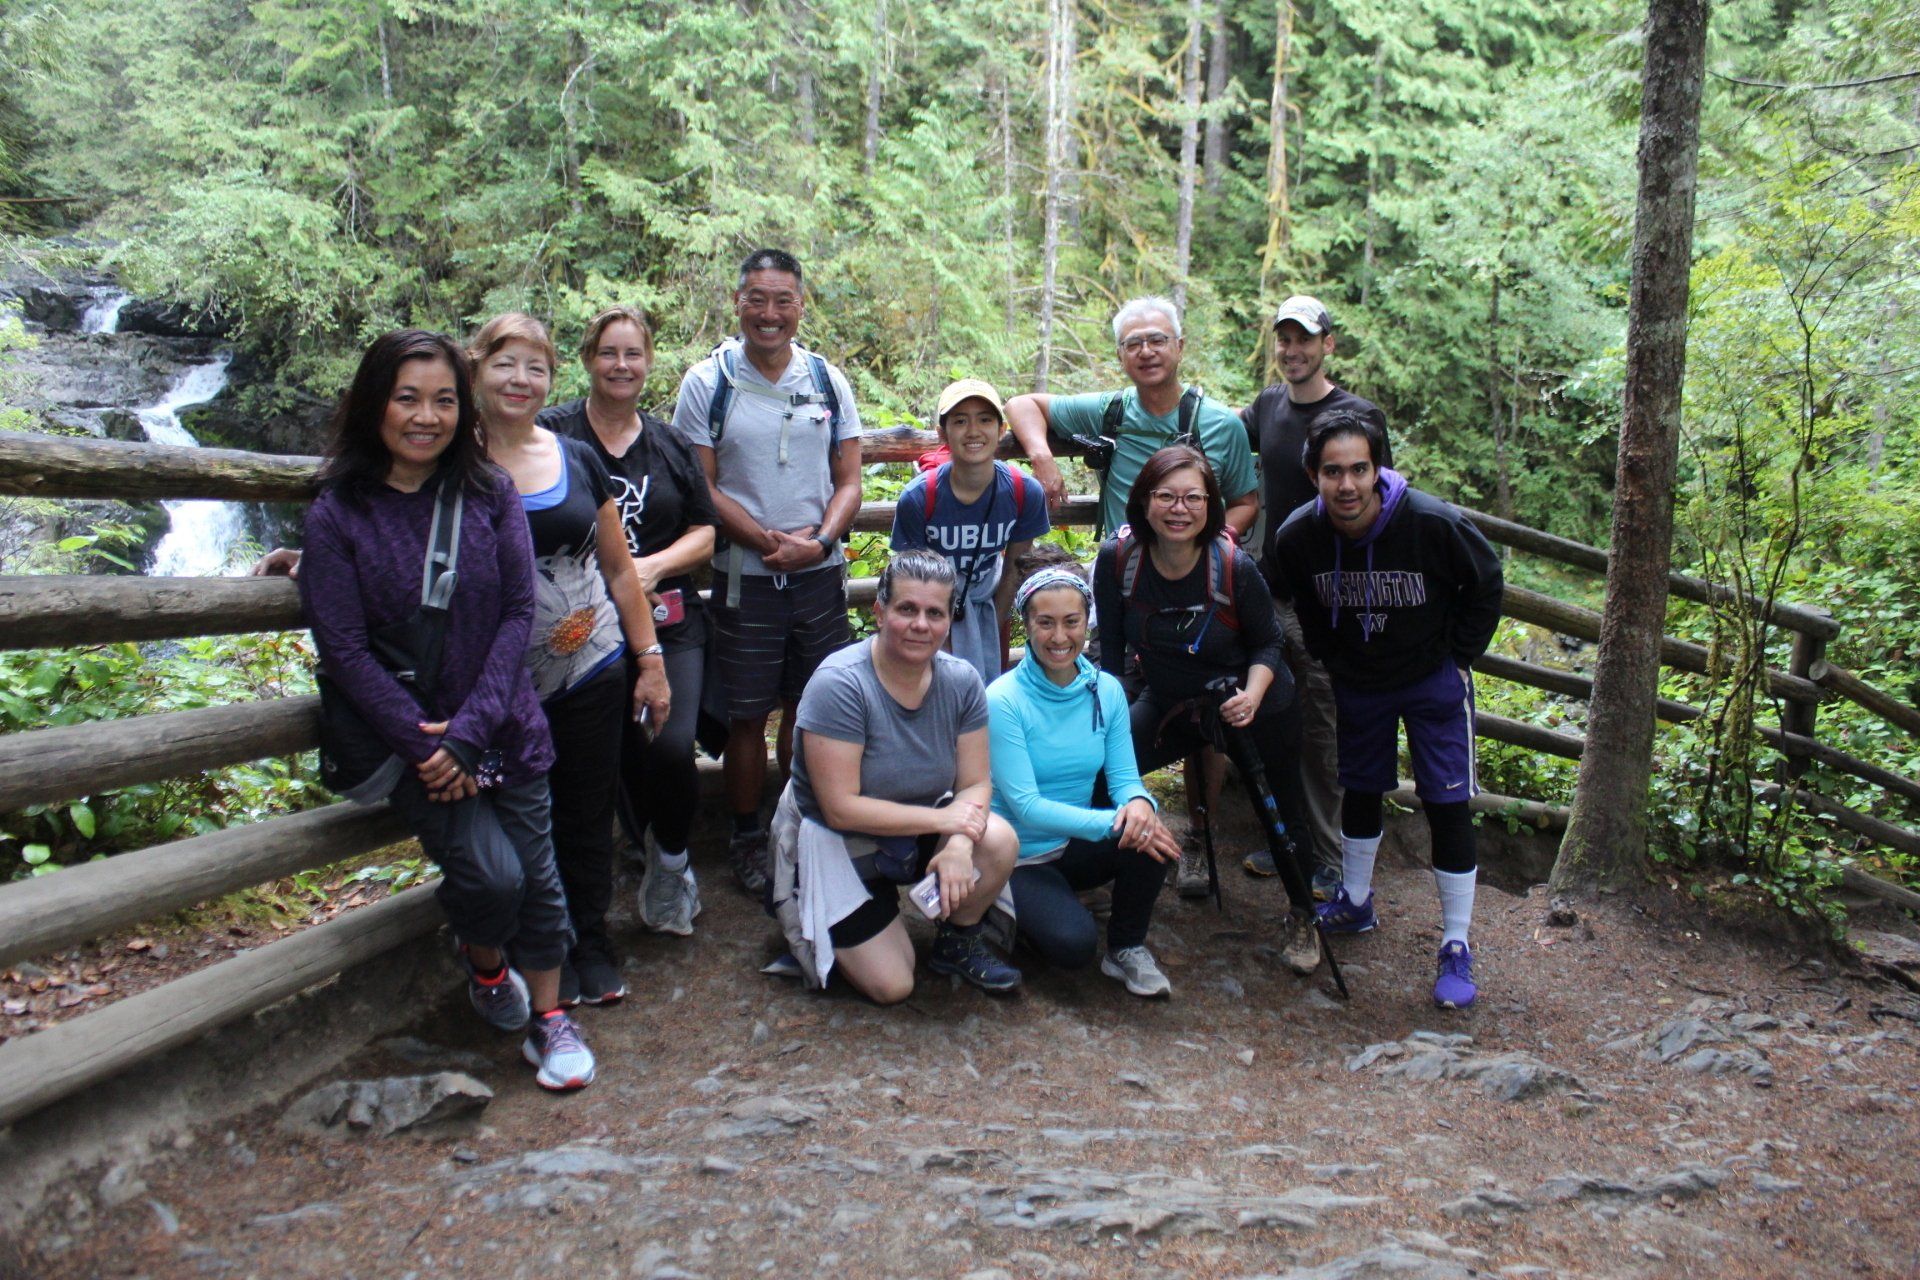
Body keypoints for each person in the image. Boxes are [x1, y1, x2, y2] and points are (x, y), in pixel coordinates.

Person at [298, 329, 596, 1091]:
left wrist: (470, 731)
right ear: (374, 406)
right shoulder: (339, 516)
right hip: (414, 745)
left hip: (499, 723)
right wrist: (428, 745)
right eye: (407, 398)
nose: (425, 416)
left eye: (441, 400)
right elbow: (344, 650)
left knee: (539, 874)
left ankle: (552, 1020)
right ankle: (486, 963)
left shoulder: (489, 492)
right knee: (494, 880)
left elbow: (515, 615)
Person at [1006, 296, 1261, 898]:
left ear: (1180, 346)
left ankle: (1195, 837)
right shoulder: (1112, 409)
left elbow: (1246, 499)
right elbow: (1021, 404)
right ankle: (1092, 829)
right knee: (1105, 701)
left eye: (1157, 339)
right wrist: (1043, 458)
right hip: (1119, 593)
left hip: (1193, 596)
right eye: (1132, 343)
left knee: (1199, 710)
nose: (1145, 351)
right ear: (1120, 353)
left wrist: (1205, 546)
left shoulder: (1219, 424)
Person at [1268, 410, 1504, 1009]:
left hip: (1432, 681)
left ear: (1379, 469)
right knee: (1362, 787)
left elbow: (1485, 582)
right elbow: (1301, 601)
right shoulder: (1299, 536)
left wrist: (1458, 657)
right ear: (1312, 473)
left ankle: (1455, 944)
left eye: (1359, 469)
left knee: (1447, 802)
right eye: (1332, 471)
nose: (1346, 485)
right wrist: (1332, 656)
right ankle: (1355, 899)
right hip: (1360, 681)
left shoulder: (1431, 522)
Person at [469, 313, 672, 1008]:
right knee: (513, 817)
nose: (520, 380)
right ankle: (528, 945)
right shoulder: (452, 462)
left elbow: (620, 572)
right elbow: (391, 526)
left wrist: (650, 659)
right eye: (506, 364)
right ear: (477, 370)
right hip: (493, 682)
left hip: (593, 665)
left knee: (586, 814)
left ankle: (589, 939)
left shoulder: (574, 457)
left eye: (535, 368)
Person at [672, 248, 863, 898]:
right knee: (749, 715)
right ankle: (749, 835)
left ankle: (806, 824)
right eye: (758, 298)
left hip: (817, 575)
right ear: (738, 301)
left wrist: (820, 541)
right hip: (742, 579)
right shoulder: (707, 382)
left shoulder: (826, 380)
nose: (770, 313)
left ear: (801, 305)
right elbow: (700, 483)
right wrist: (762, 540)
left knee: (811, 711)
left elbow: (850, 479)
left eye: (783, 300)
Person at [1091, 444, 1322, 976]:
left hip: (1253, 702)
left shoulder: (1233, 566)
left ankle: (1303, 914)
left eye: (1193, 497)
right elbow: (1113, 653)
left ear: (1211, 505)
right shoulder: (1119, 560)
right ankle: (1097, 875)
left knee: (1283, 811)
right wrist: (1108, 716)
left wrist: (1254, 696)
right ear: (1144, 503)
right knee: (1100, 777)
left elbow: (1268, 643)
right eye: (1166, 496)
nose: (1179, 509)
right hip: (1170, 700)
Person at [537, 305, 718, 938]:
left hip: (667, 623)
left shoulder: (667, 444)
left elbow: (706, 532)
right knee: (595, 755)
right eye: (609, 353)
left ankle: (671, 860)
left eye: (633, 354)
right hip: (574, 634)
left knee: (668, 746)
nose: (621, 365)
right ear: (588, 359)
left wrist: (650, 567)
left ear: (649, 362)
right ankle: (593, 888)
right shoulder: (549, 435)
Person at [769, 550, 1022, 1001]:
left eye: (934, 613)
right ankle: (816, 915)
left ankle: (957, 941)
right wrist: (946, 823)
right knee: (893, 986)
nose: (920, 625)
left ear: (949, 620)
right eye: (907, 609)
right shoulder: (840, 685)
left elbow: (975, 783)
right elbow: (840, 808)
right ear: (880, 611)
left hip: (920, 818)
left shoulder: (962, 680)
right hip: (838, 839)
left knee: (998, 840)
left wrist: (961, 842)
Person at [1241, 295, 1392, 894]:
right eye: (1284, 339)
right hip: (1270, 592)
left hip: (1329, 600)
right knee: (1276, 720)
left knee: (1325, 726)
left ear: (1328, 344)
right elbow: (1221, 443)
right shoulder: (1268, 406)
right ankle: (1288, 836)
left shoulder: (1359, 415)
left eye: (1304, 339)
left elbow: (1383, 502)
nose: (1293, 350)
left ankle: (1330, 856)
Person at [987, 545, 1183, 997]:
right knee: (1074, 947)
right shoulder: (1003, 700)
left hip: (1072, 844)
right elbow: (1026, 806)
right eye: (1045, 622)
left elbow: (1124, 778)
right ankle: (999, 906)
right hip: (1018, 854)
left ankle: (1127, 949)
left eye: (1071, 621)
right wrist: (1115, 823)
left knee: (1154, 838)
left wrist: (1139, 805)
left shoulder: (1106, 690)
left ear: (1085, 622)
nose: (1060, 637)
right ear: (1027, 625)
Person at [890, 378, 1050, 685]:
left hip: (989, 607)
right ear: (942, 433)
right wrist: (938, 629)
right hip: (930, 614)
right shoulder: (919, 498)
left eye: (985, 420)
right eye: (960, 421)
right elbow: (910, 581)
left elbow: (1016, 569)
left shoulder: (1023, 492)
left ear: (1001, 430)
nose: (974, 431)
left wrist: (995, 620)